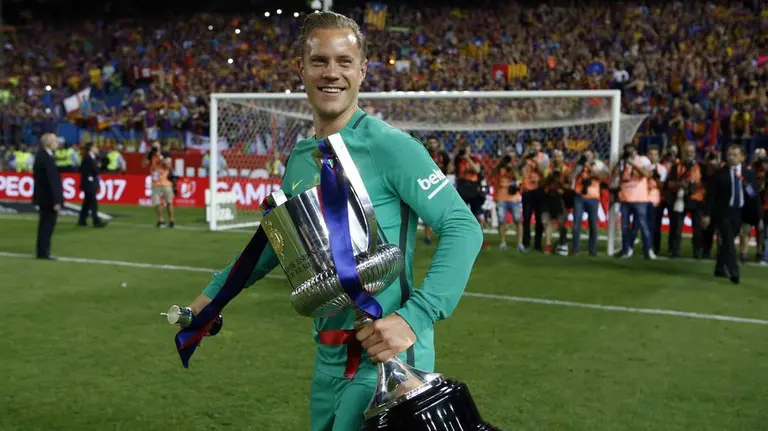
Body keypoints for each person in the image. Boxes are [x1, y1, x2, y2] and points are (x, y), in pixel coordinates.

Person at [181, 11, 483, 431]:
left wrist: (415, 317)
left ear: (362, 70)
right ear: (301, 69)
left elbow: (463, 226)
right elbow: (274, 245)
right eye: (320, 60)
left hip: (387, 361)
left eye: (344, 62)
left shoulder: (389, 146)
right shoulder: (303, 157)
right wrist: (211, 299)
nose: (331, 73)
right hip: (329, 362)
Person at [702, 145, 763, 284]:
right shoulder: (719, 173)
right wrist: (707, 214)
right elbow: (710, 196)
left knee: (726, 242)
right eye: (729, 154)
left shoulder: (749, 174)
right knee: (729, 241)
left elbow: (754, 196)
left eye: (735, 155)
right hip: (722, 213)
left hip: (739, 212)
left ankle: (719, 268)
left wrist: (758, 216)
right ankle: (734, 272)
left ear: (742, 157)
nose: (731, 157)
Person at [32, 133, 64, 260]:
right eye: (55, 140)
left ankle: (43, 251)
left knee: (45, 225)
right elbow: (52, 182)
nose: (57, 143)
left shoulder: (43, 156)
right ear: (48, 143)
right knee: (47, 226)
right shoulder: (46, 158)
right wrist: (57, 200)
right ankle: (43, 252)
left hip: (44, 198)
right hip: (48, 199)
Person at [78, 142, 107, 228]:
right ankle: (96, 221)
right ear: (91, 148)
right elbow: (85, 171)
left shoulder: (93, 158)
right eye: (95, 147)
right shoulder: (87, 158)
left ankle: (82, 220)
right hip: (89, 183)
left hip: (91, 183)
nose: (97, 148)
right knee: (93, 203)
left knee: (86, 203)